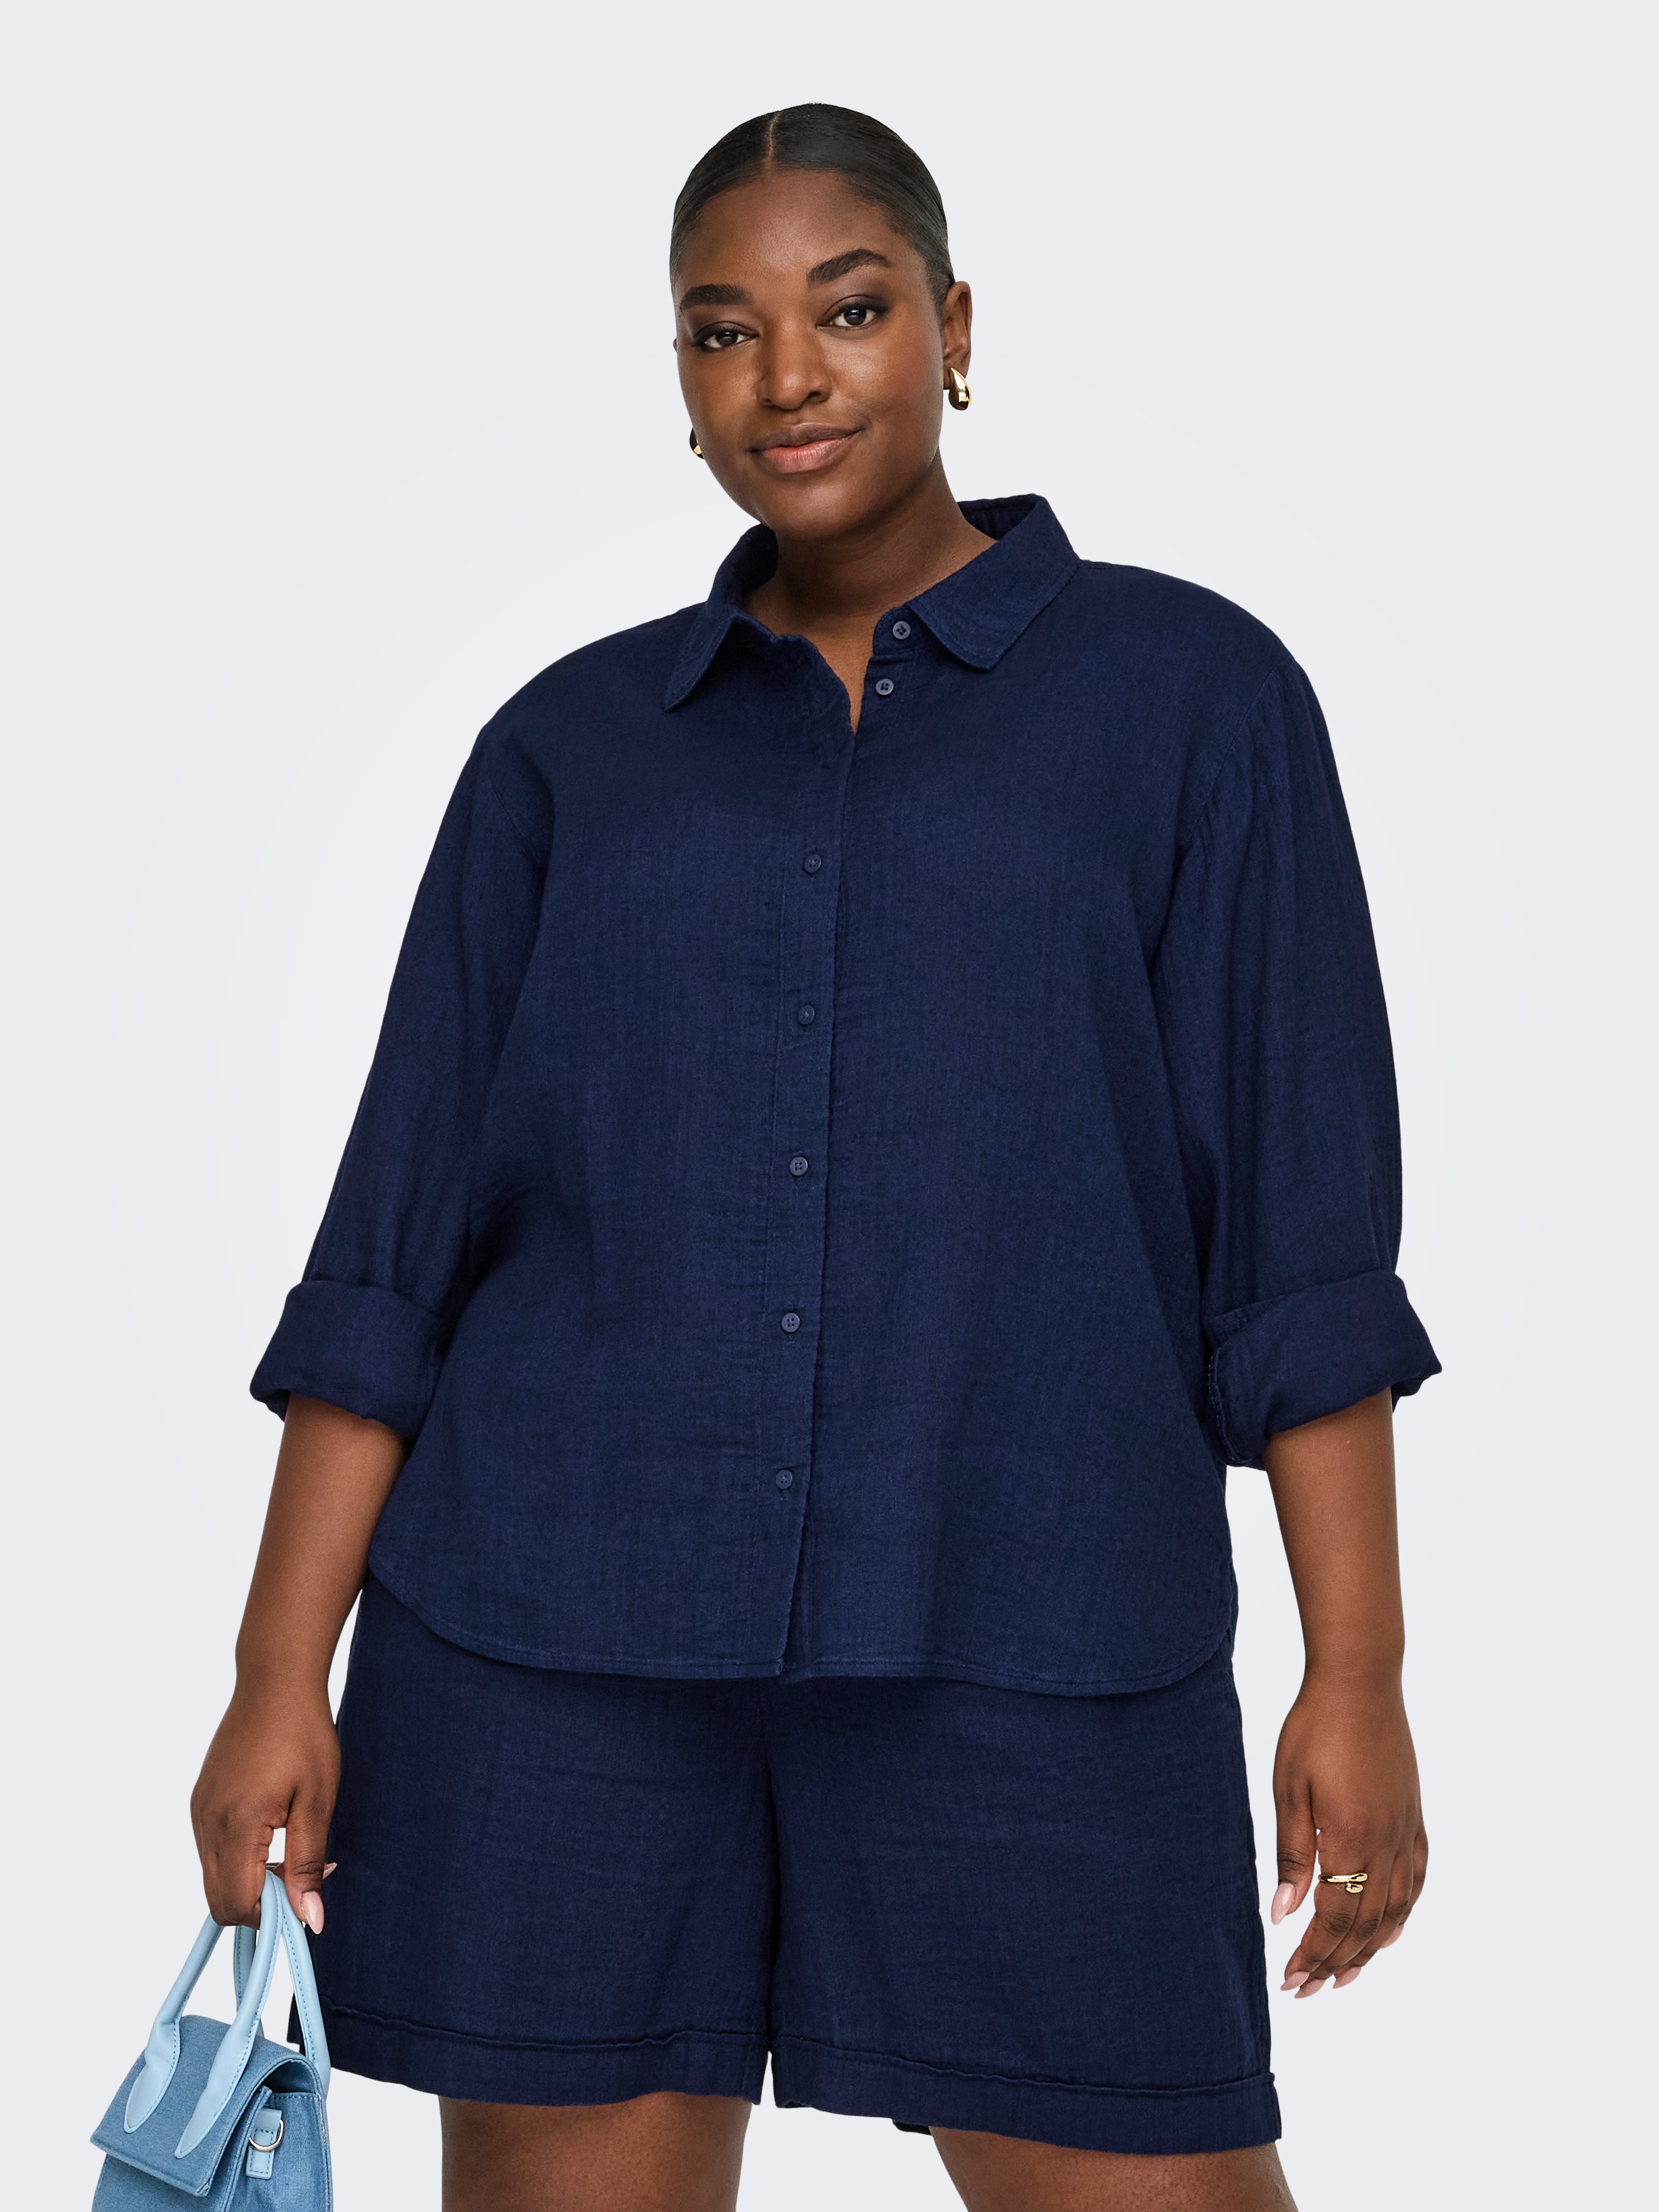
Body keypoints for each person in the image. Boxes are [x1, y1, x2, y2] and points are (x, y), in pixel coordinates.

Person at [191, 104, 1439, 2212]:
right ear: (679, 377)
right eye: (722, 330)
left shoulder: (1196, 704)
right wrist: (269, 1680)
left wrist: (1363, 1672)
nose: (786, 374)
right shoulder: (567, 753)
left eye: (848, 310)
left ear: (956, 326)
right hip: (560, 1657)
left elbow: (1300, 1251)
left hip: (1035, 1639)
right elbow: (395, 1256)